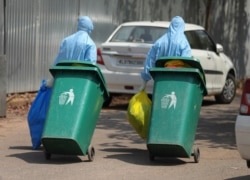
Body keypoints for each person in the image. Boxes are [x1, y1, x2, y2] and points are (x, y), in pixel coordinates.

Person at [140, 16, 192, 90]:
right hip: (178, 82)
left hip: (161, 81)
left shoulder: (159, 42)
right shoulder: (184, 43)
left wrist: (144, 82)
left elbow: (150, 60)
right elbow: (187, 62)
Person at [46, 16, 96, 87]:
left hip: (63, 78)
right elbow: (91, 66)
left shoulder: (66, 40)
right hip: (80, 81)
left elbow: (58, 61)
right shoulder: (90, 44)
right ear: (90, 27)